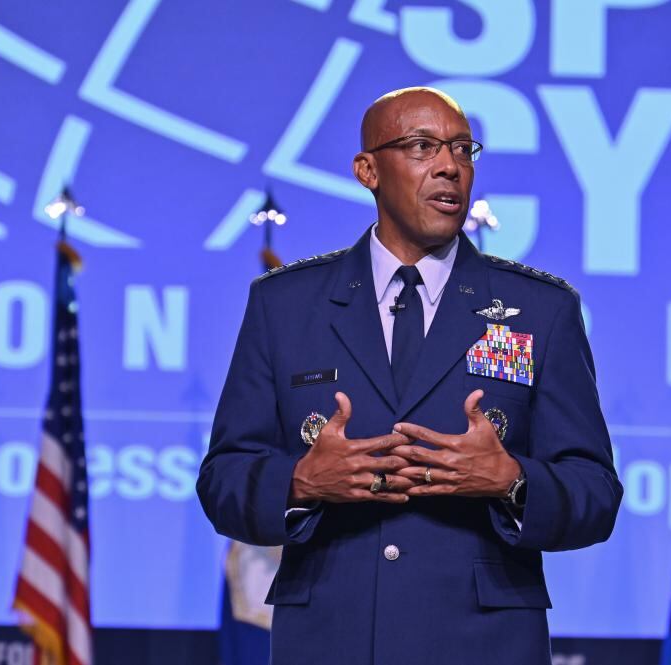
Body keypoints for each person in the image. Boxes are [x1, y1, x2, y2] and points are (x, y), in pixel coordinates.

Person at [197, 87, 622, 665]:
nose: (450, 165)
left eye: (463, 149)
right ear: (367, 170)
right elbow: (224, 479)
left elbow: (595, 492)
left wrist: (511, 480)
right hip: (329, 641)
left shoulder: (541, 309)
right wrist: (301, 482)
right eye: (422, 146)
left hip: (482, 647)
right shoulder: (286, 305)